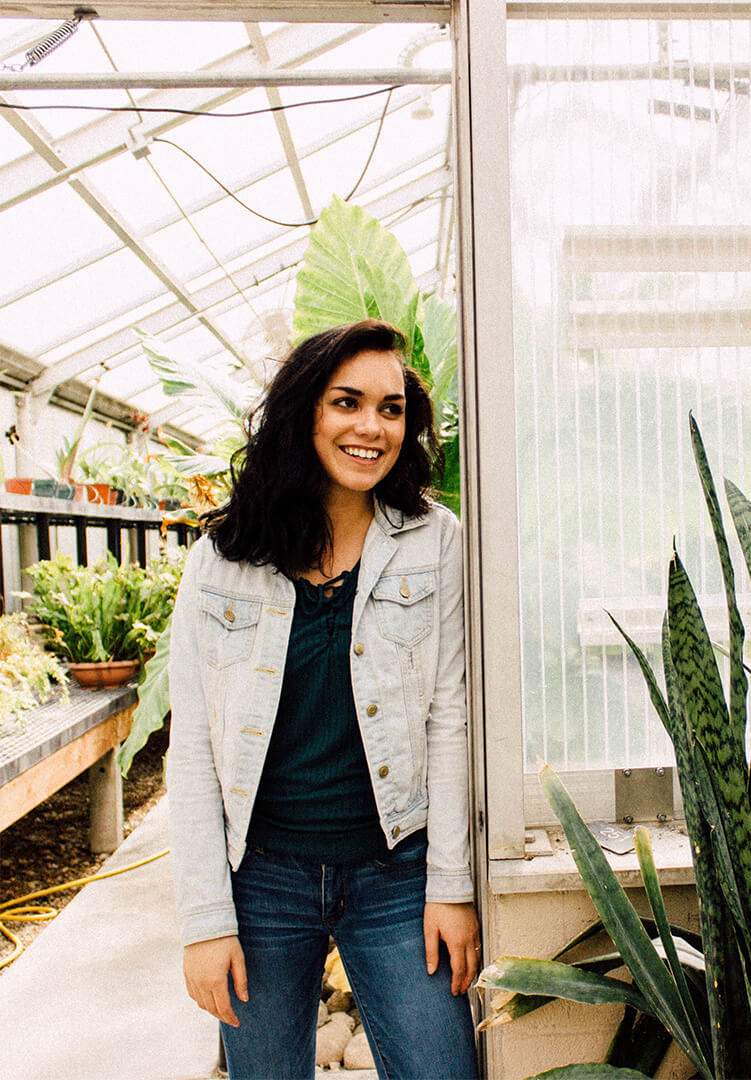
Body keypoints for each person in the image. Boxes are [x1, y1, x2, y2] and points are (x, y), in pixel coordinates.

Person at [166, 319, 480, 1080]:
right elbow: (196, 755)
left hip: (396, 874)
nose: (372, 427)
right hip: (263, 879)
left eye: (393, 408)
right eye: (348, 402)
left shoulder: (436, 542)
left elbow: (450, 718)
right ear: (306, 410)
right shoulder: (221, 560)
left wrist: (452, 886)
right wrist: (206, 922)